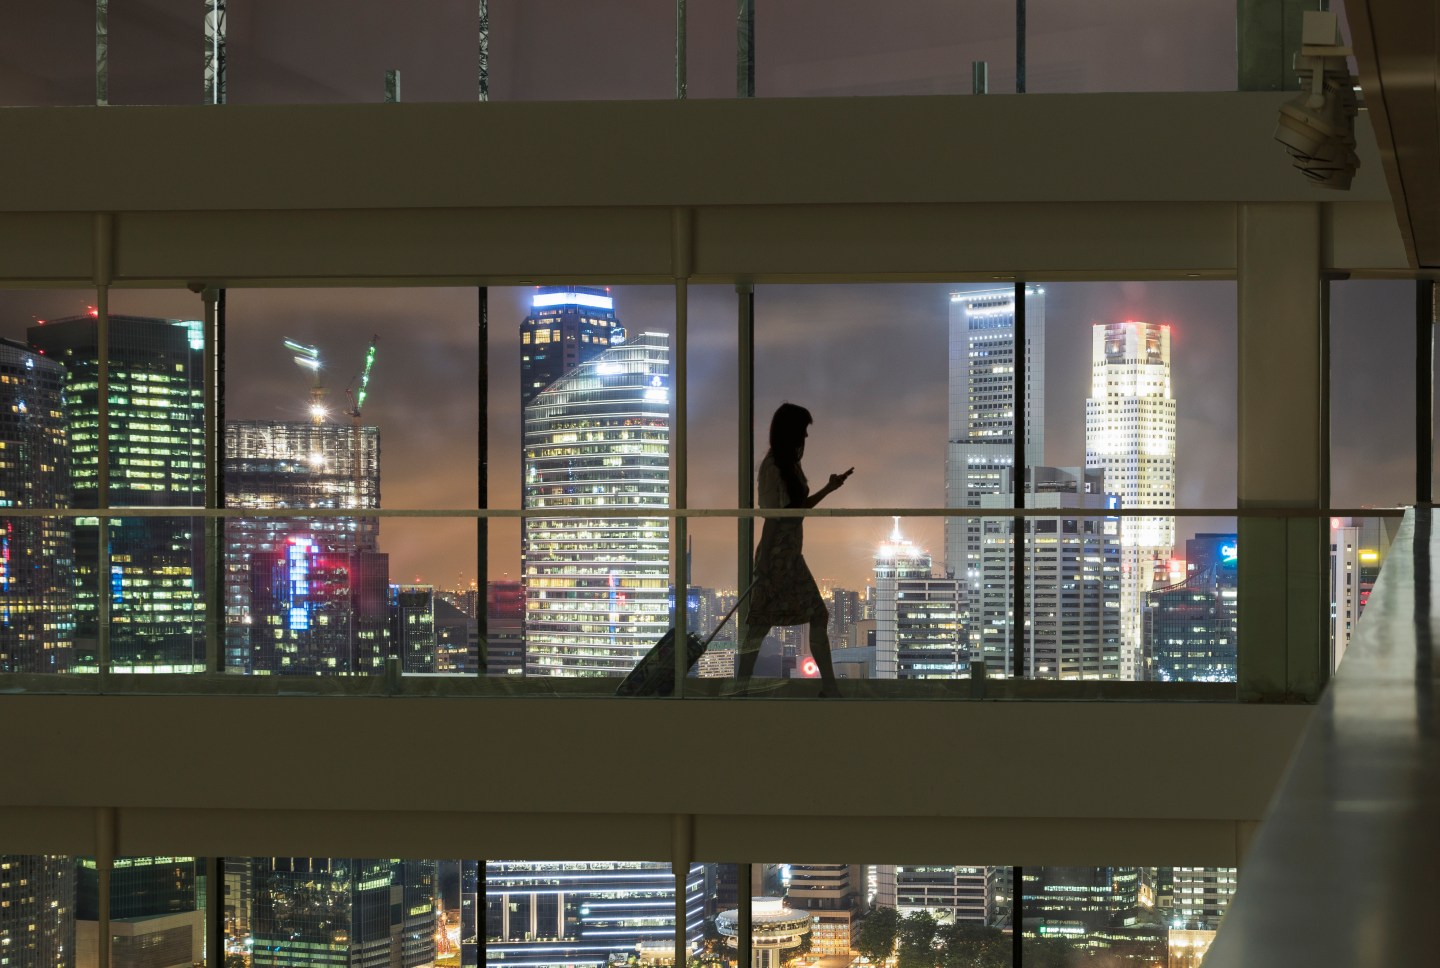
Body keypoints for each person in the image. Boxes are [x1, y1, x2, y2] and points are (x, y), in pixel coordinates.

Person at [735, 403, 853, 697]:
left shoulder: (787, 465)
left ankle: (740, 688)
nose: (806, 437)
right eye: (803, 430)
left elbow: (796, 510)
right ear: (792, 432)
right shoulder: (774, 467)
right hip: (780, 556)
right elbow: (773, 518)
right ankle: (829, 689)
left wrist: (828, 488)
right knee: (776, 621)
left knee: (762, 623)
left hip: (785, 554)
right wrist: (764, 563)